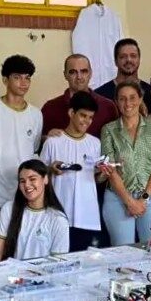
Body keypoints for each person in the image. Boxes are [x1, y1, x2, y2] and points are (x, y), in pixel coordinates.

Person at [0, 55, 42, 262]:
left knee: (19, 255)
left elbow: (33, 151)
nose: (23, 83)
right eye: (17, 77)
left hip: (23, 198)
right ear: (5, 80)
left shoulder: (35, 114)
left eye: (27, 78)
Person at [99, 82, 151, 244]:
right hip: (118, 198)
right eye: (122, 99)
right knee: (123, 254)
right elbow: (111, 170)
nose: (128, 103)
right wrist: (129, 202)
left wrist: (143, 199)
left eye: (132, 98)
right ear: (116, 101)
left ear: (140, 99)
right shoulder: (108, 130)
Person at [40, 92, 103, 252]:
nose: (87, 121)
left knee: (83, 267)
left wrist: (106, 173)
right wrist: (50, 169)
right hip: (59, 215)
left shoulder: (95, 143)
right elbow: (39, 176)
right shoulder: (53, 142)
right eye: (83, 115)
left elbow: (96, 178)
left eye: (90, 117)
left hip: (88, 217)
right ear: (71, 113)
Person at [0, 160, 70, 262]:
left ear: (45, 179)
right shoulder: (8, 209)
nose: (27, 185)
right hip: (11, 276)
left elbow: (58, 264)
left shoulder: (58, 219)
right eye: (22, 181)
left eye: (32, 179)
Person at [40, 54, 118, 138]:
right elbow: (37, 142)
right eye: (73, 72)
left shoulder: (108, 107)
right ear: (65, 74)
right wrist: (46, 138)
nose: (79, 77)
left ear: (90, 73)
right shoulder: (50, 108)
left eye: (84, 71)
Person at [93, 38, 151, 112]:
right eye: (123, 56)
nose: (129, 60)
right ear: (115, 61)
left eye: (133, 56)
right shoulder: (99, 95)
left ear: (139, 59)